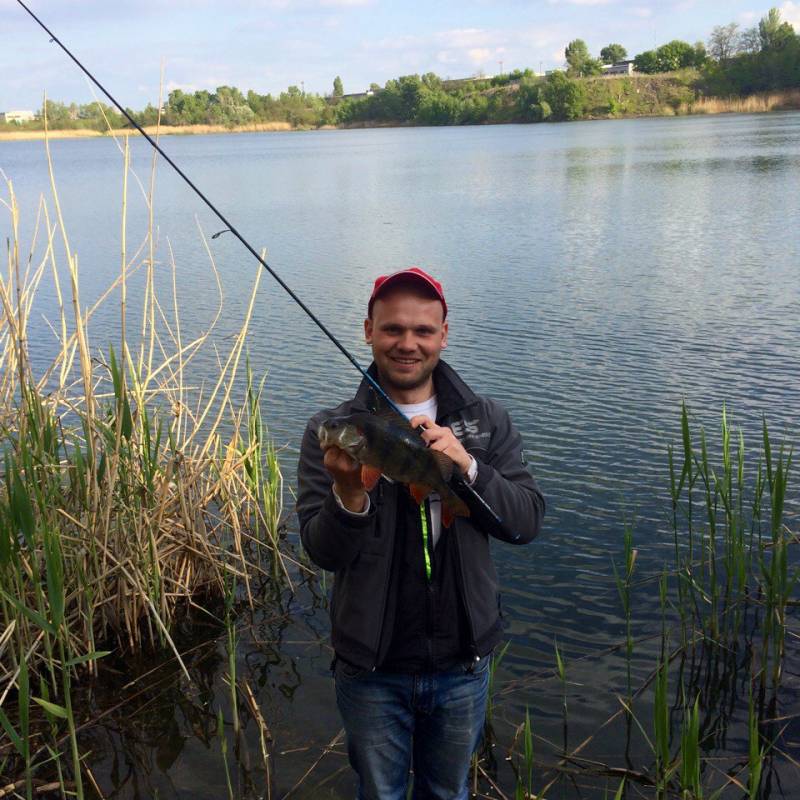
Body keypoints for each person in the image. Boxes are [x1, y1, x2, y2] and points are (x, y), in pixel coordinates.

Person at [297, 267, 544, 800]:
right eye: (392, 329)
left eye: (423, 331)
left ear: (444, 335)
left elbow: (525, 523)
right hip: (370, 669)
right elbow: (323, 552)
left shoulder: (486, 422)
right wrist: (349, 495)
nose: (407, 343)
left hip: (463, 663)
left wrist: (470, 469)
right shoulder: (333, 428)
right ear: (368, 331)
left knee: (448, 793)